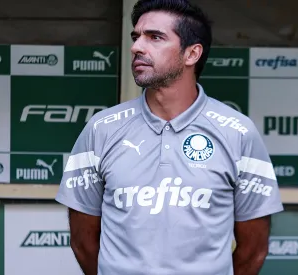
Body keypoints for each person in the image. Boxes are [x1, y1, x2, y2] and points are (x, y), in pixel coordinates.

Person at [55, 0, 284, 274]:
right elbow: (83, 242)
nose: (137, 47)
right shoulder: (101, 129)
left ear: (192, 54)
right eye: (136, 37)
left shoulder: (238, 132)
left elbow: (253, 250)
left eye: (155, 37)